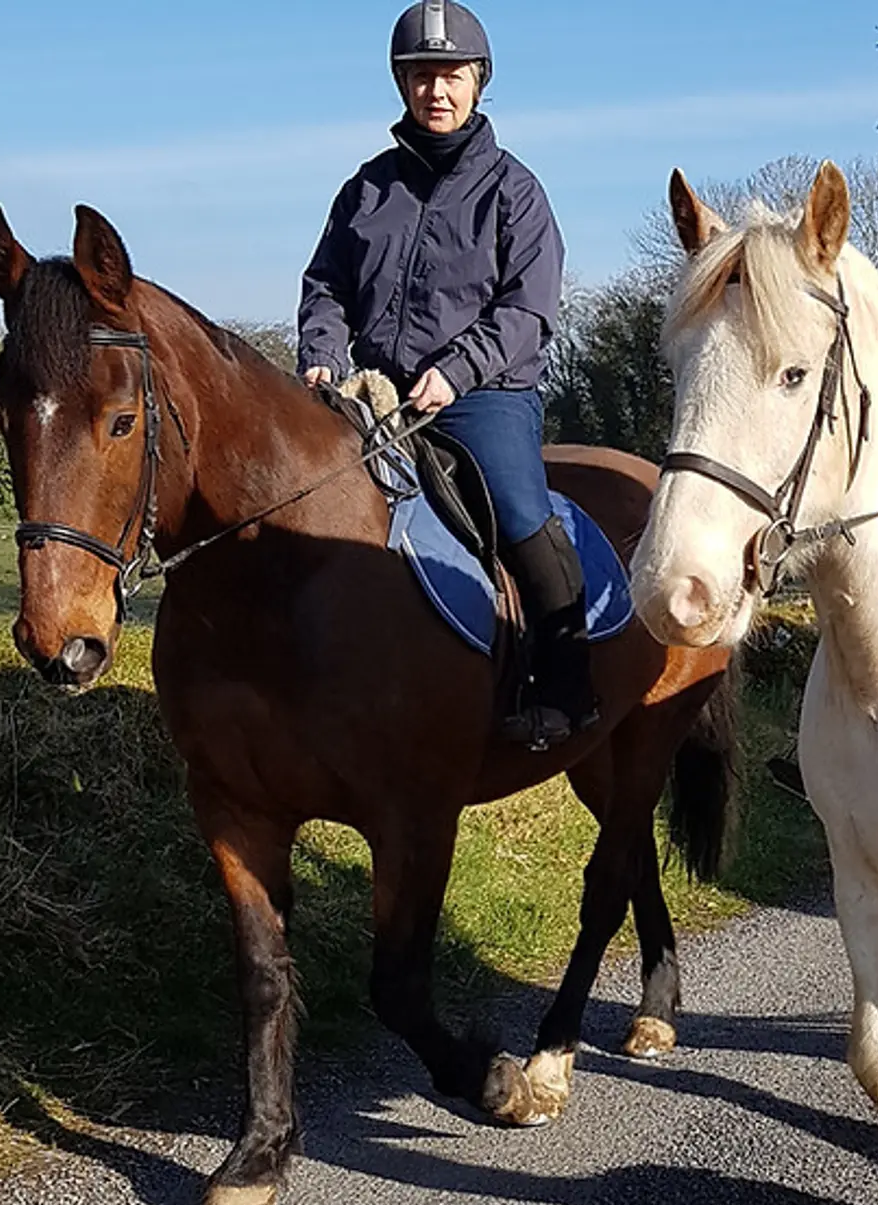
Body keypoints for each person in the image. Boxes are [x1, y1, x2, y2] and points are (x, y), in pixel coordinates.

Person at [297, 1, 593, 750]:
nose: (437, 91)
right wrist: (322, 351)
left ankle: (567, 687)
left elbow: (527, 311)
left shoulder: (516, 193)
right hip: (375, 391)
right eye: (422, 75)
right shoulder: (365, 189)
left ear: (479, 82)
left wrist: (456, 373)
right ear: (402, 84)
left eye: (451, 76)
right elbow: (327, 283)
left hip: (482, 397)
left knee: (519, 511)